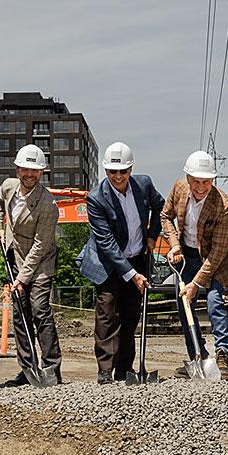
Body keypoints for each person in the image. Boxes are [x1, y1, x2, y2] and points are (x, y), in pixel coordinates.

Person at [78, 142, 164, 384]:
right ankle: (105, 370)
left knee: (130, 315)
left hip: (136, 256)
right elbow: (106, 243)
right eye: (112, 172)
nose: (118, 176)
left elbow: (161, 207)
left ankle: (125, 369)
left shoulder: (143, 184)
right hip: (108, 264)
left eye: (123, 171)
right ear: (106, 171)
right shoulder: (96, 199)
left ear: (131, 169)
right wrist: (132, 275)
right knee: (107, 315)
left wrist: (152, 235)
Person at [160, 150, 228, 380]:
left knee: (214, 301)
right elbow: (165, 216)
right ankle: (198, 355)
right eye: (196, 181)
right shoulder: (179, 189)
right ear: (187, 178)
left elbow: (217, 252)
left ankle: (223, 355)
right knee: (183, 304)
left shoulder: (223, 204)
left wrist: (196, 283)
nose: (201, 186)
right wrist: (174, 244)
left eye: (206, 181)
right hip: (187, 256)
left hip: (215, 259)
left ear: (212, 180)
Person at [0, 144, 62, 385]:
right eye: (25, 169)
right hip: (15, 254)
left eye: (35, 170)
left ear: (42, 173)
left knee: (39, 309)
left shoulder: (47, 204)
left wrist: (22, 279)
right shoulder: (8, 187)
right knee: (21, 315)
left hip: (40, 261)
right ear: (17, 169)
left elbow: (41, 245)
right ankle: (28, 368)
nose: (29, 174)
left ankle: (52, 367)